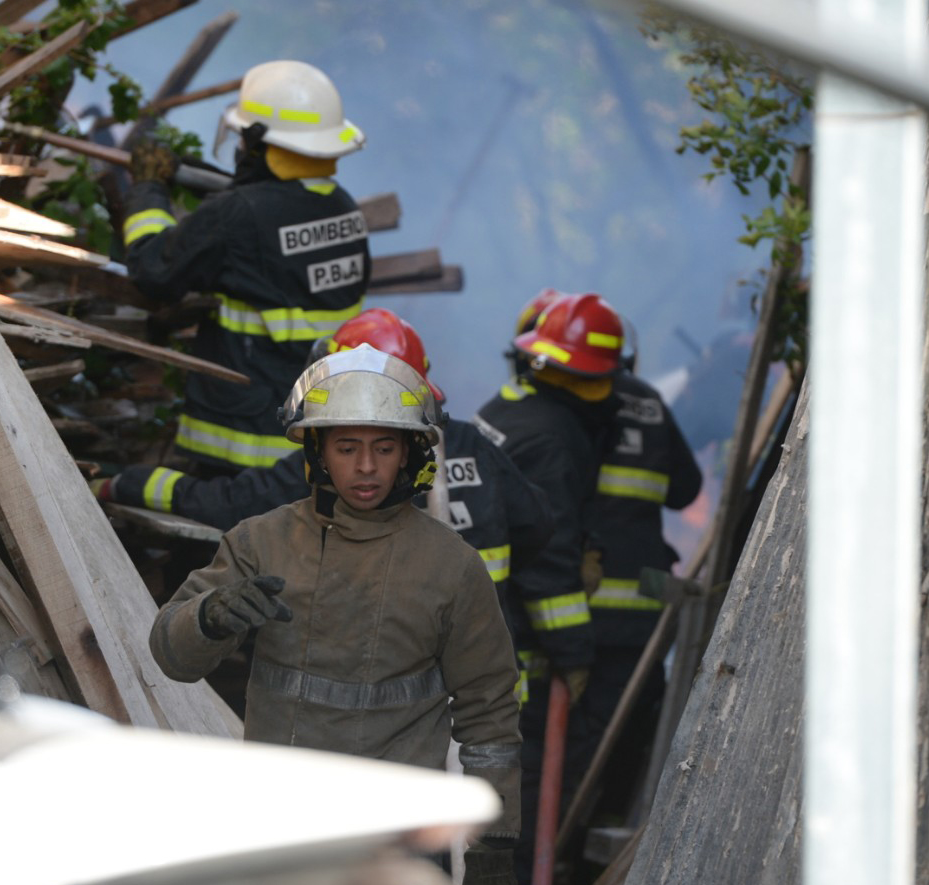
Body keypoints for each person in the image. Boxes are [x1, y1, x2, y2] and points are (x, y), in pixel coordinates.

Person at [149, 346, 523, 884]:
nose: (365, 467)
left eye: (384, 447)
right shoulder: (261, 542)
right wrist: (210, 616)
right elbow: (170, 654)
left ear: (410, 455)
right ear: (319, 452)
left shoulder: (452, 567)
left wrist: (493, 843)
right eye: (347, 447)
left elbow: (489, 712)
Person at [91, 310, 553, 591]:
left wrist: (122, 482)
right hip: (486, 682)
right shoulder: (474, 444)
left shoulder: (336, 462)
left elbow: (224, 504)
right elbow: (535, 524)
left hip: (399, 687)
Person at [123, 60, 371, 475]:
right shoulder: (342, 208)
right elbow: (266, 208)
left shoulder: (239, 215)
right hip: (313, 434)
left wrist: (148, 189)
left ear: (258, 143)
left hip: (240, 444)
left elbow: (154, 270)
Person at [474, 292, 626, 880]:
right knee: (526, 779)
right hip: (515, 644)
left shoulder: (511, 404)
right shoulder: (556, 439)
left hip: (483, 620)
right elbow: (546, 564)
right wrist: (576, 653)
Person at [575, 320, 702, 821]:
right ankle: (599, 834)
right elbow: (686, 490)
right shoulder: (651, 401)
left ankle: (568, 846)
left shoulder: (575, 407)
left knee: (577, 731)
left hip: (582, 608)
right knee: (632, 723)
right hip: (644, 610)